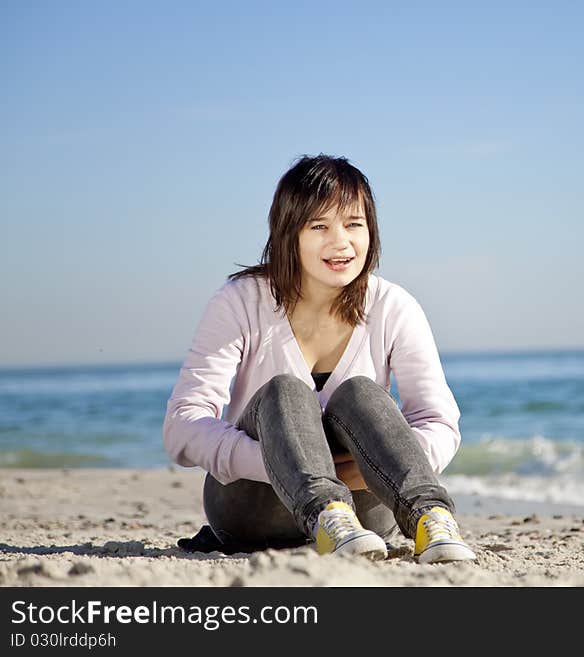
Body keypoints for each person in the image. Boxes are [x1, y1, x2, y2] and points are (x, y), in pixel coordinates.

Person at [163, 154, 476, 564]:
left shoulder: (393, 306)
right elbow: (183, 426)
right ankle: (325, 513)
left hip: (366, 513)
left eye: (353, 224)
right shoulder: (241, 301)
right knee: (286, 391)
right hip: (254, 506)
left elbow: (439, 424)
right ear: (288, 232)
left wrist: (367, 471)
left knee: (362, 392)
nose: (341, 242)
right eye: (319, 226)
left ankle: (430, 517)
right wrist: (290, 468)